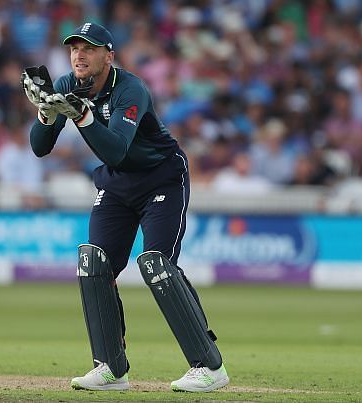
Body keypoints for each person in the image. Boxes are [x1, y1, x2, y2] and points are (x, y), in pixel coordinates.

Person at [22, 22, 229, 393]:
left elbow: (116, 147)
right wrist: (45, 111)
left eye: (88, 48)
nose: (79, 55)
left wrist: (81, 116)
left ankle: (208, 365)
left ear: (108, 55)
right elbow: (39, 147)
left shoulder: (130, 88)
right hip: (116, 185)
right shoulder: (68, 84)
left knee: (157, 264)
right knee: (94, 261)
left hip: (161, 180)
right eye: (73, 48)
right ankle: (111, 368)